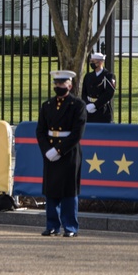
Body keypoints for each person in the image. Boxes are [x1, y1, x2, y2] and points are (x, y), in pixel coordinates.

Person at [37, 69, 87, 238]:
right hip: (50, 151)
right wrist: (47, 150)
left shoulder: (77, 106)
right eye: (57, 83)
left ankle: (70, 226)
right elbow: (40, 131)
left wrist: (59, 150)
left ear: (70, 85)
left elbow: (77, 133)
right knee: (51, 190)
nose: (59, 86)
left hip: (69, 152)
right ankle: (52, 225)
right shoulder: (47, 105)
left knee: (68, 191)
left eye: (62, 83)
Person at [81, 52, 116, 123]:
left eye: (93, 61)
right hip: (89, 109)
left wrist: (95, 105)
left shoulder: (108, 76)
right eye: (91, 61)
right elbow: (84, 92)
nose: (91, 63)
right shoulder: (88, 76)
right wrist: (87, 104)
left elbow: (109, 93)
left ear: (100, 62)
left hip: (102, 109)